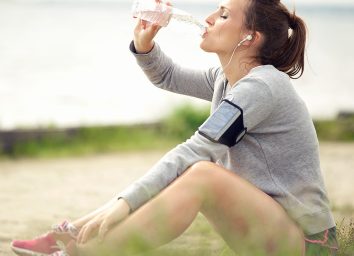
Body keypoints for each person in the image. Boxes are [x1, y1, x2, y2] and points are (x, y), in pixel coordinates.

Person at [11, 0, 338, 255]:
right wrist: (144, 46)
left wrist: (125, 202)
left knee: (201, 172)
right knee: (194, 170)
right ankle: (70, 235)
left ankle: (83, 252)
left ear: (250, 37)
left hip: (309, 245)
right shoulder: (228, 79)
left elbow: (199, 149)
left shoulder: (262, 88)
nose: (209, 18)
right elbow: (168, 76)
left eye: (223, 15)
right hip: (267, 228)